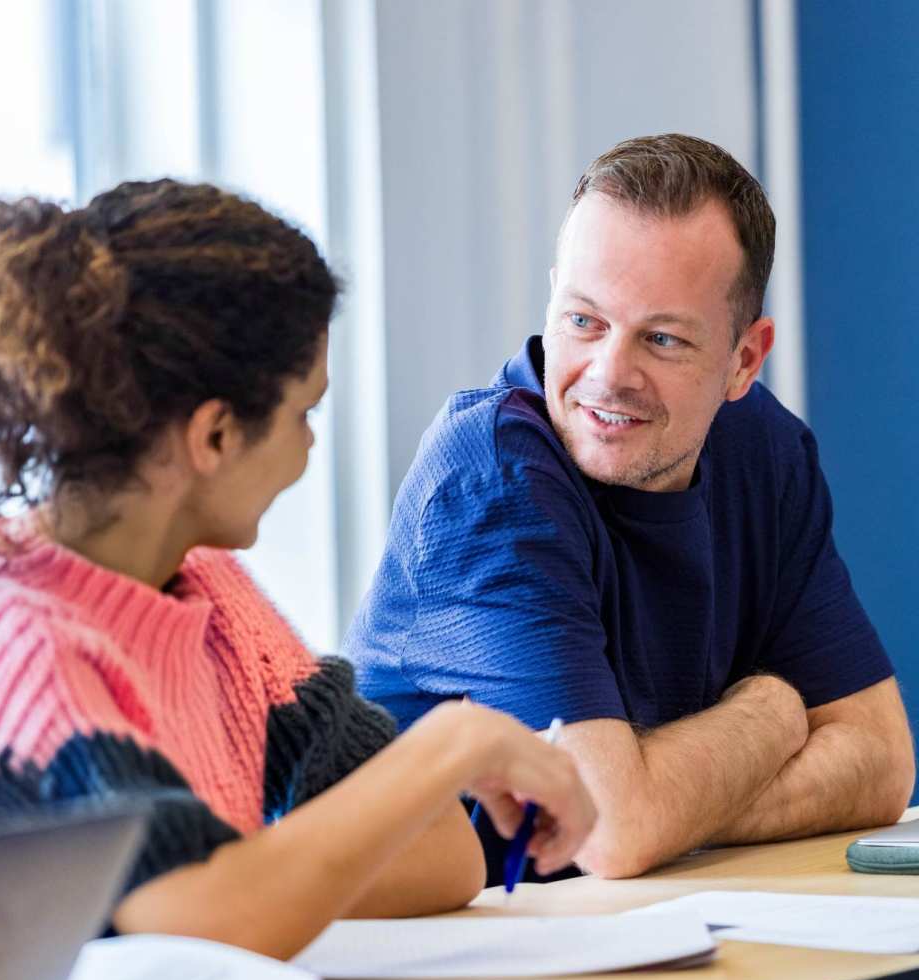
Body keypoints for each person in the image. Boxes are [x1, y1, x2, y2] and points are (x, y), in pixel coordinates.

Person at [0, 179, 596, 958]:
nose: (310, 448)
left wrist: (255, 880)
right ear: (215, 436)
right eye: (303, 415)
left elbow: (443, 859)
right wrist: (449, 746)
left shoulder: (210, 594)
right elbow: (198, 926)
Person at [343, 133, 914, 883]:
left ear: (744, 359)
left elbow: (881, 762)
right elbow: (611, 830)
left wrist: (664, 802)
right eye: (584, 321)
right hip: (445, 967)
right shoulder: (490, 479)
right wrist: (774, 710)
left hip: (627, 935)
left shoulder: (763, 452)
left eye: (663, 338)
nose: (609, 376)